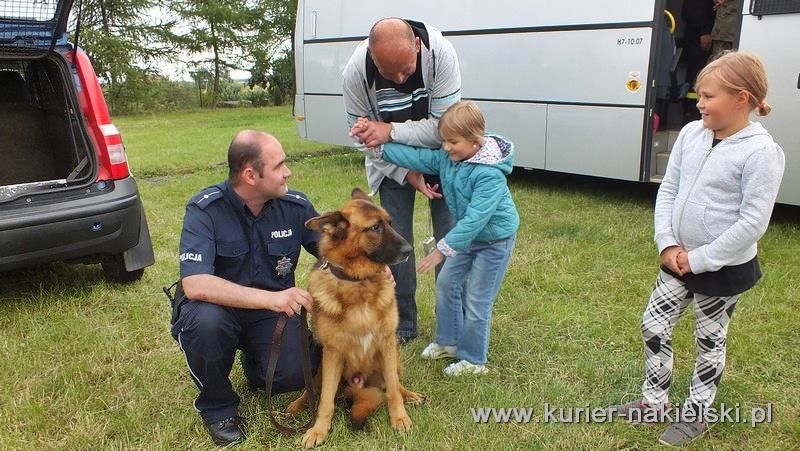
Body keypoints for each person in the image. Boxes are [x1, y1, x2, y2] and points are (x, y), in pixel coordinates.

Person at [614, 52, 785, 446]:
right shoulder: (692, 134)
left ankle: (697, 415)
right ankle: (653, 402)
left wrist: (701, 259)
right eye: (699, 95)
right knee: (653, 325)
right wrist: (667, 243)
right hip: (677, 260)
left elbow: (752, 223)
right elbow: (669, 190)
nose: (700, 103)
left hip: (721, 270)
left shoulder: (761, 153)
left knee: (709, 342)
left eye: (708, 96)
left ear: (742, 98)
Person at [172, 130, 321, 446]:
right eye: (279, 165)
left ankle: (257, 367)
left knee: (292, 374)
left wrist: (373, 272)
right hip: (217, 310)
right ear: (250, 174)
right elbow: (196, 283)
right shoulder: (204, 210)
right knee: (205, 324)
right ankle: (218, 407)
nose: (288, 173)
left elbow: (335, 252)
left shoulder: (295, 207)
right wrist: (273, 298)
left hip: (270, 316)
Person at [356, 100, 519, 376]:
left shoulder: (490, 174)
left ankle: (473, 360)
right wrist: (379, 147)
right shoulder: (450, 156)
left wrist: (441, 250)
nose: (445, 147)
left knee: (478, 299)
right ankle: (449, 342)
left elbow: (474, 219)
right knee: (447, 283)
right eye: (443, 141)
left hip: (493, 242)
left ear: (475, 140)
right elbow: (418, 159)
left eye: (452, 142)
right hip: (468, 238)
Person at [342, 17, 461, 343]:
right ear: (372, 56)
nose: (398, 79)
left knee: (450, 238)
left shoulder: (442, 55)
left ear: (418, 47)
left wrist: (389, 130)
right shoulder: (356, 71)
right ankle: (403, 324)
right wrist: (405, 170)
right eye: (388, 73)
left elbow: (444, 128)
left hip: (442, 157)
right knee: (395, 243)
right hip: (392, 164)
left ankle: (451, 324)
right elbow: (360, 138)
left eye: (406, 71)